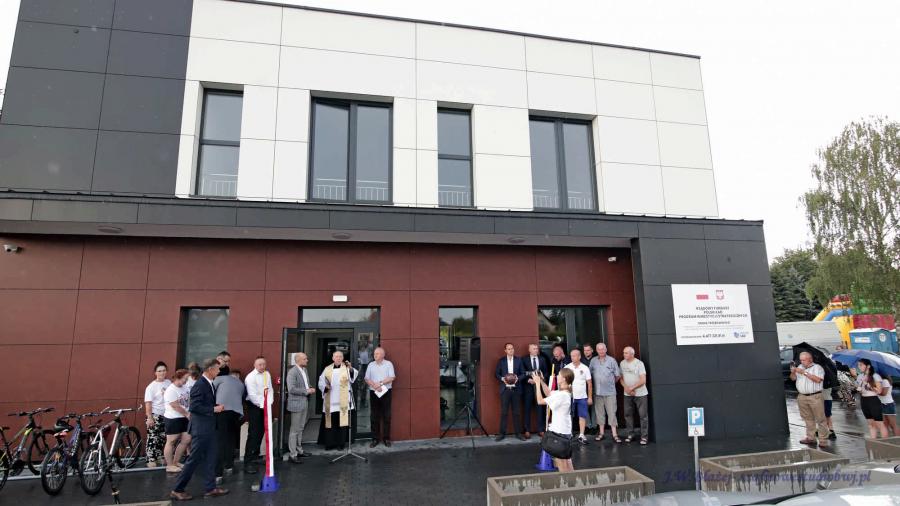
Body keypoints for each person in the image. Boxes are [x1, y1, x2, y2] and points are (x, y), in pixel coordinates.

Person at [170, 358, 228, 501]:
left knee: (211, 458)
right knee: (194, 459)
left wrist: (214, 407)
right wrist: (213, 409)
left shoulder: (209, 383)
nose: (219, 371)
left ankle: (210, 488)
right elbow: (194, 407)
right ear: (210, 370)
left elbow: (203, 403)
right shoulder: (200, 385)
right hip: (201, 429)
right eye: (217, 369)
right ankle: (177, 489)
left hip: (209, 428)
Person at [533, 367, 575, 472]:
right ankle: (573, 481)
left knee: (562, 465)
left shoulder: (562, 395)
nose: (557, 376)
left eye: (559, 375)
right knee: (567, 462)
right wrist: (541, 381)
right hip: (564, 432)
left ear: (564, 379)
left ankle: (568, 482)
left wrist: (537, 384)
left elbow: (540, 401)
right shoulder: (563, 393)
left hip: (560, 433)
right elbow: (549, 393)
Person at [318, 350, 359, 450]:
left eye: (340, 356)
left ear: (343, 358)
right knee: (331, 422)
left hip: (343, 401)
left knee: (342, 423)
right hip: (331, 400)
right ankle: (330, 443)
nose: (338, 358)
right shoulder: (327, 369)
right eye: (336, 356)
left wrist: (350, 368)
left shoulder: (347, 368)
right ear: (333, 358)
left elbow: (353, 375)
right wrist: (325, 387)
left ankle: (341, 444)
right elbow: (321, 382)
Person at [214, 360, 245, 480]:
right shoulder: (239, 382)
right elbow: (242, 396)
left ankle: (218, 473)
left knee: (220, 440)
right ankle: (229, 466)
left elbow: (211, 394)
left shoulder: (218, 379)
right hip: (236, 413)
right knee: (231, 439)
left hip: (222, 411)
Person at [790, 351, 829, 447]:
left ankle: (823, 440)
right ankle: (811, 438)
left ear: (810, 359)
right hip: (802, 396)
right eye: (801, 360)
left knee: (820, 419)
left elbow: (818, 380)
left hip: (815, 396)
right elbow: (793, 379)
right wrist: (793, 372)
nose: (802, 362)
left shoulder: (817, 368)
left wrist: (804, 372)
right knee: (807, 418)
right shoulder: (800, 367)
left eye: (804, 360)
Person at [243, 356, 273, 474]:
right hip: (255, 407)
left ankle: (255, 457)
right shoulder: (250, 377)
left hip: (265, 406)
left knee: (261, 432)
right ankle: (248, 462)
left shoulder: (267, 374)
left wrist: (269, 403)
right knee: (253, 434)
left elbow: (270, 390)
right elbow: (252, 395)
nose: (262, 366)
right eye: (260, 364)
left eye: (264, 364)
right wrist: (263, 405)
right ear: (255, 365)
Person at [286, 352, 315, 462]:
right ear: (298, 360)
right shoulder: (292, 372)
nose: (307, 360)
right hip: (296, 404)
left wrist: (310, 387)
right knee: (294, 430)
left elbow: (305, 384)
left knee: (301, 427)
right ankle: (292, 454)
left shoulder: (304, 370)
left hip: (304, 402)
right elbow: (291, 389)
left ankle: (299, 450)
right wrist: (307, 391)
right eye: (305, 359)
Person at [589, 343, 621, 442]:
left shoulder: (612, 360)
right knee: (600, 414)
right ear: (596, 350)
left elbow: (618, 375)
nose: (601, 351)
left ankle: (615, 434)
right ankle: (601, 433)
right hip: (597, 392)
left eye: (603, 349)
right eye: (599, 349)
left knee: (612, 413)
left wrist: (610, 383)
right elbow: (589, 375)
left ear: (606, 349)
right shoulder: (593, 361)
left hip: (610, 392)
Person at [494, 343, 526, 441]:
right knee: (504, 412)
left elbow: (523, 373)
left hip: (516, 389)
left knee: (516, 412)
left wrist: (517, 378)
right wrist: (502, 378)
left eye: (512, 348)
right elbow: (496, 374)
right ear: (505, 351)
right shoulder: (501, 361)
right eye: (508, 349)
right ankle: (502, 434)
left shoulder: (519, 360)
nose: (511, 350)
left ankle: (518, 434)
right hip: (505, 390)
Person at [364, 347, 396, 448]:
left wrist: (380, 383)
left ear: (383, 355)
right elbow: (366, 378)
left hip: (386, 391)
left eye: (377, 353)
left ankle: (386, 438)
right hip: (374, 392)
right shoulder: (371, 365)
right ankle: (375, 438)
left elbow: (392, 377)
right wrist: (375, 386)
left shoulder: (388, 364)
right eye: (374, 353)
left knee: (387, 415)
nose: (375, 355)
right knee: (374, 416)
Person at [163, 369, 192, 473]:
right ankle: (169, 465)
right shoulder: (171, 390)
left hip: (184, 418)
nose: (186, 381)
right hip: (173, 418)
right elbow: (175, 406)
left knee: (186, 439)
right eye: (185, 378)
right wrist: (187, 414)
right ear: (178, 377)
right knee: (171, 441)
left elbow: (188, 401)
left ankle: (176, 462)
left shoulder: (185, 387)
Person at [144, 361, 171, 467]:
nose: (162, 373)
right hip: (155, 415)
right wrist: (149, 417)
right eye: (159, 371)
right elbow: (148, 403)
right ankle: (150, 459)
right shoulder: (151, 387)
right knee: (153, 437)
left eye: (164, 370)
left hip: (167, 414)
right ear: (155, 373)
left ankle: (159, 456)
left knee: (162, 437)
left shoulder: (168, 382)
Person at [620, 346, 649, 445]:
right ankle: (630, 434)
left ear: (632, 354)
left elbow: (643, 380)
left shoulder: (639, 364)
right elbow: (621, 378)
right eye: (624, 353)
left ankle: (644, 437)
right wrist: (627, 389)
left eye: (626, 353)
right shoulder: (622, 363)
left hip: (640, 394)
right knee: (628, 414)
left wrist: (631, 388)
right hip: (627, 394)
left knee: (643, 416)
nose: (624, 354)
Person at [855, 358, 889, 439]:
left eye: (861, 365)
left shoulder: (875, 376)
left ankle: (885, 442)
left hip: (873, 400)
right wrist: (859, 387)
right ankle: (874, 441)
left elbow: (879, 391)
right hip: (864, 400)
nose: (859, 367)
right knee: (870, 424)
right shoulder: (860, 376)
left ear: (868, 366)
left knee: (879, 423)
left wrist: (869, 385)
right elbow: (860, 390)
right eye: (858, 365)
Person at [565, 349, 592, 445]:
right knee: (569, 415)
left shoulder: (585, 368)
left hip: (582, 397)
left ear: (579, 356)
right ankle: (569, 433)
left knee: (582, 416)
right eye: (571, 356)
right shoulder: (567, 367)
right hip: (570, 396)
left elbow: (589, 384)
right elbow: (562, 382)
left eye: (574, 356)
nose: (572, 357)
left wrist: (590, 397)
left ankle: (581, 435)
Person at [522, 343, 550, 438]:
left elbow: (546, 372)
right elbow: (522, 372)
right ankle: (527, 430)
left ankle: (540, 429)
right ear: (529, 350)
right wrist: (528, 379)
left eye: (537, 349)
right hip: (529, 387)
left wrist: (541, 379)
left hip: (540, 387)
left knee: (540, 409)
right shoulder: (524, 359)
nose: (536, 350)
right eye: (534, 349)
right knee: (527, 408)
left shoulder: (542, 359)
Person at [581, 344, 597, 433]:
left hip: (595, 386)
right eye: (585, 350)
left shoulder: (596, 360)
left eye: (588, 350)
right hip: (583, 387)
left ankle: (594, 426)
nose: (586, 352)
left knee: (594, 407)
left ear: (592, 350)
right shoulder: (581, 360)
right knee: (584, 407)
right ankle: (587, 426)